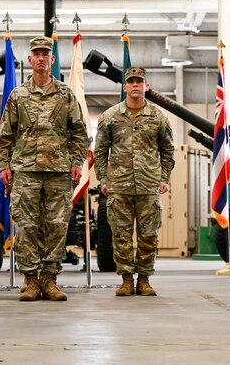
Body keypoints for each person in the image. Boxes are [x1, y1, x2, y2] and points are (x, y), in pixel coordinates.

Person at [0, 35, 89, 302]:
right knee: (26, 227)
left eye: (44, 54)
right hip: (24, 172)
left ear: (52, 59)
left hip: (59, 172)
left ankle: (49, 279)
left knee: (57, 226)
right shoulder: (18, 95)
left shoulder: (66, 95)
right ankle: (30, 280)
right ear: (29, 60)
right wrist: (4, 166)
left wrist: (76, 162)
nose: (40, 58)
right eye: (35, 54)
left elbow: (79, 133)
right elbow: (5, 136)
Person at [94, 67, 175, 297]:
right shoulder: (111, 116)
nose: (136, 85)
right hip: (119, 186)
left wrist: (164, 178)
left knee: (149, 234)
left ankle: (145, 280)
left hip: (149, 185)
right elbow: (100, 150)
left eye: (140, 81)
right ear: (125, 87)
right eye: (131, 82)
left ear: (146, 86)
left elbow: (167, 150)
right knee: (121, 234)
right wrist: (103, 179)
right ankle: (127, 280)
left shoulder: (158, 117)